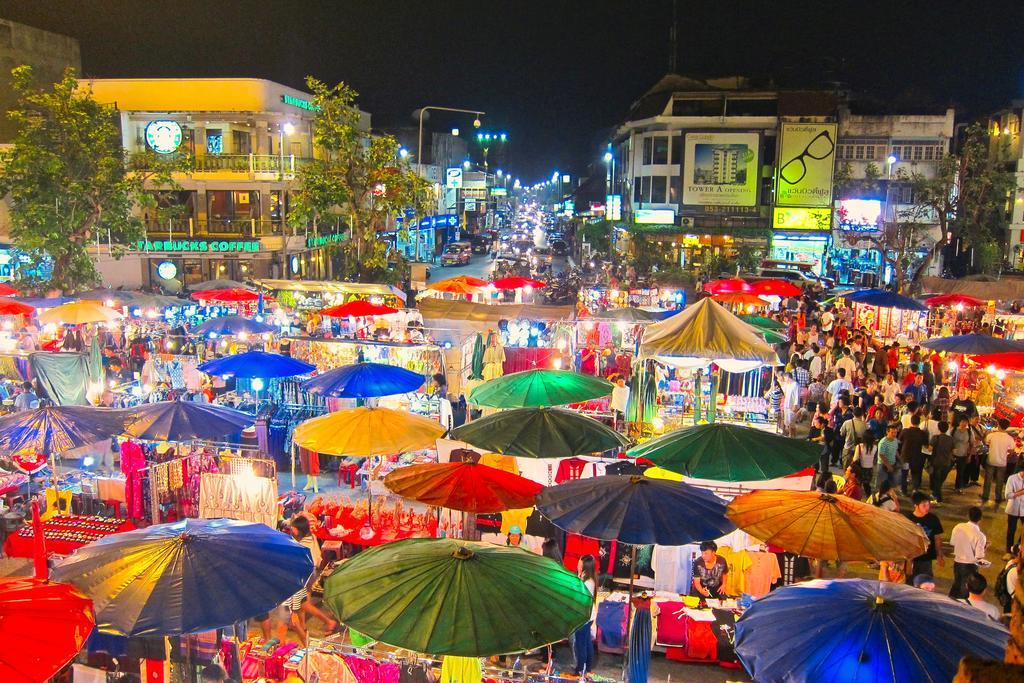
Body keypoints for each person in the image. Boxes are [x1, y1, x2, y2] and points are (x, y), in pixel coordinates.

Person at [286, 516, 338, 643]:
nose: (292, 530)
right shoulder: (311, 537)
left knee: (303, 603)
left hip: (306, 574)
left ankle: (329, 621)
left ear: (298, 530)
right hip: (313, 572)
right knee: (304, 601)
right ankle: (301, 625)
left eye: (293, 528)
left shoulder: (302, 544)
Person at [904, 491, 945, 583]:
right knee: (909, 583)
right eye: (924, 505)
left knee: (926, 583)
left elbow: (937, 538)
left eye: (928, 505)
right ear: (916, 505)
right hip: (911, 558)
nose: (927, 508)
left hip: (927, 558)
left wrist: (939, 555)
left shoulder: (933, 519)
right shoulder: (908, 519)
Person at [949, 506, 987, 599]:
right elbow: (979, 556)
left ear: (968, 516)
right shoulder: (980, 536)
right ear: (980, 519)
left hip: (957, 562)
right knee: (965, 590)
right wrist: (985, 547)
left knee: (957, 583)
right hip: (970, 565)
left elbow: (952, 542)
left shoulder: (958, 527)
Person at [984, 418, 1017, 508]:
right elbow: (1012, 450)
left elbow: (986, 443)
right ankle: (998, 497)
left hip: (991, 460)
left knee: (988, 479)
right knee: (1000, 480)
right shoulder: (1009, 438)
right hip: (1002, 462)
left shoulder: (991, 435)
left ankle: (985, 495)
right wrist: (1007, 454)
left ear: (998, 425)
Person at [572, 554, 597, 676]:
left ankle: (580, 670)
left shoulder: (588, 582)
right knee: (586, 642)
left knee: (581, 644)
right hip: (587, 615)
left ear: (585, 567)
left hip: (584, 617)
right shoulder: (586, 578)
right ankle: (587, 670)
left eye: (579, 564)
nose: (577, 565)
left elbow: (580, 599)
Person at [900, 414, 930, 492]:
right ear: (919, 422)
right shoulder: (922, 433)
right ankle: (915, 490)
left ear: (911, 421)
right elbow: (926, 445)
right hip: (916, 457)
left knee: (904, 474)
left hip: (905, 456)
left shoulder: (905, 431)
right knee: (915, 474)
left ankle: (904, 490)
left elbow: (899, 441)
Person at [929, 421, 954, 504]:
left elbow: (930, 449)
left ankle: (938, 498)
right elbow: (953, 451)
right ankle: (934, 494)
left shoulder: (935, 437)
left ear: (939, 428)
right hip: (947, 463)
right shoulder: (951, 439)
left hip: (936, 462)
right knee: (940, 481)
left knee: (937, 481)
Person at [1005, 462, 1024, 552]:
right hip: (1013, 508)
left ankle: (1017, 547)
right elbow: (1008, 495)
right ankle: (1008, 550)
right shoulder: (1012, 479)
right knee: (1011, 531)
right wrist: (1021, 492)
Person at [876, 423, 900, 491]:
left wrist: (900, 458)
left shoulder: (895, 440)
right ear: (887, 432)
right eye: (892, 432)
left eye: (896, 432)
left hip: (892, 464)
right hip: (883, 465)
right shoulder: (883, 442)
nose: (894, 434)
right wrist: (888, 466)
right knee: (882, 484)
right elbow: (881, 455)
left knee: (891, 482)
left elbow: (895, 450)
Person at [952, 417, 974, 494]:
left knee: (960, 472)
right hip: (952, 455)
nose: (964, 423)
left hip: (963, 455)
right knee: (945, 470)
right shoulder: (954, 430)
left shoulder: (969, 432)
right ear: (959, 422)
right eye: (962, 421)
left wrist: (970, 455)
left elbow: (972, 444)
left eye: (965, 422)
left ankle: (958, 487)